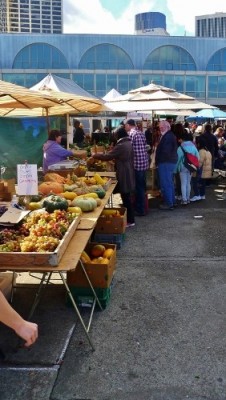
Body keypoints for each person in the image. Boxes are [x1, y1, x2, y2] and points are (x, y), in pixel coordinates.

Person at [89, 126, 136, 227]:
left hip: (124, 171)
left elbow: (107, 156)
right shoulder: (128, 142)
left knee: (125, 196)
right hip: (128, 169)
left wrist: (94, 155)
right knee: (126, 195)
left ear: (118, 135)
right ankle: (130, 219)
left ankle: (130, 221)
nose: (114, 137)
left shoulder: (122, 145)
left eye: (115, 135)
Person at [125, 119, 149, 216]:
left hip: (136, 164)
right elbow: (145, 146)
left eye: (125, 125)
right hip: (144, 163)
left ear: (128, 125)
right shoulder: (141, 133)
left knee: (138, 188)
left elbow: (128, 149)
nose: (125, 127)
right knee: (142, 187)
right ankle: (141, 207)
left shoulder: (131, 134)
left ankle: (140, 209)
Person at [155, 120, 178, 210]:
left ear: (167, 127)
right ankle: (172, 202)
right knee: (169, 183)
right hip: (168, 162)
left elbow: (166, 152)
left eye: (162, 127)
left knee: (166, 183)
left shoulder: (168, 136)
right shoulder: (169, 135)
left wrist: (159, 160)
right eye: (160, 127)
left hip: (166, 162)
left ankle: (169, 203)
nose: (160, 128)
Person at [176, 130, 200, 205]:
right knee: (188, 183)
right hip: (191, 167)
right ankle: (188, 198)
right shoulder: (194, 147)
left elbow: (178, 159)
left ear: (183, 139)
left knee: (183, 183)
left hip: (183, 167)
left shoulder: (180, 147)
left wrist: (176, 168)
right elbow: (198, 157)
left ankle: (184, 199)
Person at [190, 136, 212, 201]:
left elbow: (199, 163)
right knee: (203, 184)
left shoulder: (201, 151)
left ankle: (197, 195)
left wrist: (193, 168)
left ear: (199, 144)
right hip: (206, 172)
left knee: (195, 183)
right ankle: (202, 195)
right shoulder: (208, 151)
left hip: (200, 172)